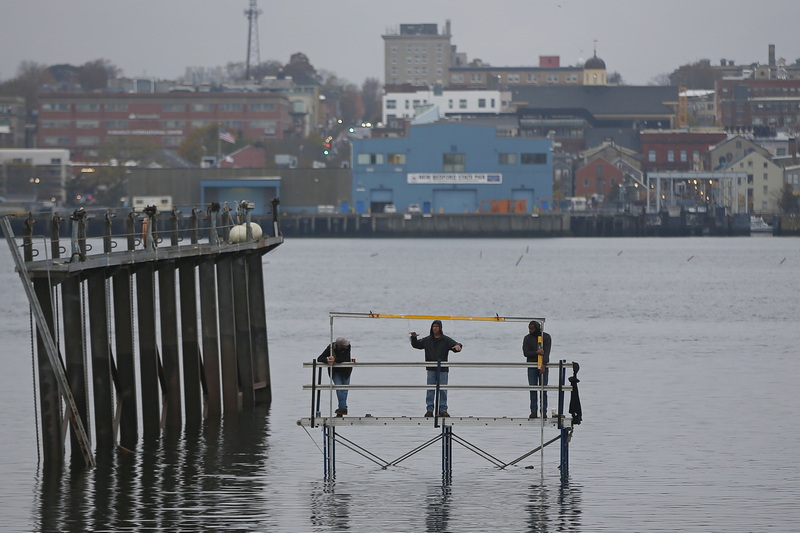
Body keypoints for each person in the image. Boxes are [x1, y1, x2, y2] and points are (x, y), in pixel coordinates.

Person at [410, 320, 463, 417]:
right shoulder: (427, 340)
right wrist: (413, 337)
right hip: (431, 368)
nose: (435, 328)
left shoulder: (446, 340)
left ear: (440, 328)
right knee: (430, 389)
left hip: (442, 369)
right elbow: (416, 345)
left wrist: (458, 346)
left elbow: (455, 346)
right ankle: (429, 410)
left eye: (437, 326)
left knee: (443, 390)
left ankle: (443, 410)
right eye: (433, 326)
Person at [317, 337, 354, 417]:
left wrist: (334, 359)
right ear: (340, 345)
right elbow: (319, 358)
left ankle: (341, 409)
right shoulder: (330, 348)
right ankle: (343, 408)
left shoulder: (348, 347)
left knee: (344, 390)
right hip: (335, 371)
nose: (347, 346)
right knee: (339, 388)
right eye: (345, 345)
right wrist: (327, 359)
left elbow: (344, 358)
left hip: (346, 371)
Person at [523, 320, 551, 419]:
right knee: (533, 389)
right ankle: (533, 411)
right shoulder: (527, 338)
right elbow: (526, 353)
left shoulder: (546, 337)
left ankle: (543, 411)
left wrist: (544, 364)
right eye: (529, 329)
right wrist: (537, 352)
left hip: (543, 365)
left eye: (532, 329)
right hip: (531, 365)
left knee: (543, 389)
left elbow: (547, 352)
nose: (530, 331)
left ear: (537, 328)